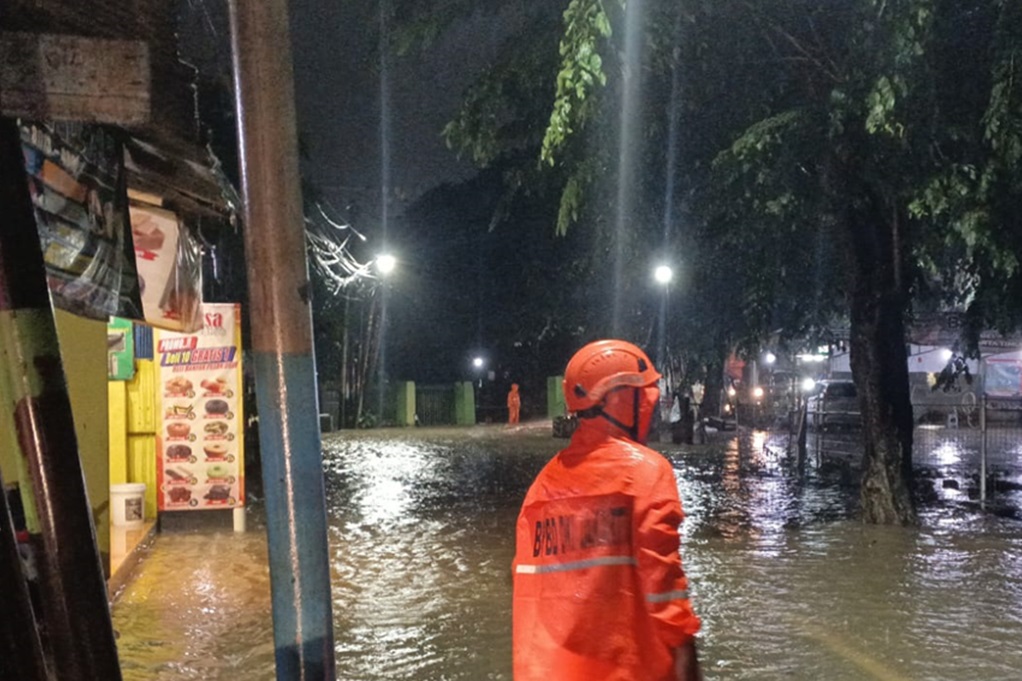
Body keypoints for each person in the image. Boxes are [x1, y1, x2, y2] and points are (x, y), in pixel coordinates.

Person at [512, 339, 702, 681]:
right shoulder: (646, 472)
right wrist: (687, 657)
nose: (650, 404)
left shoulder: (540, 487)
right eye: (642, 394)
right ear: (615, 399)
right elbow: (665, 587)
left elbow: (527, 591)